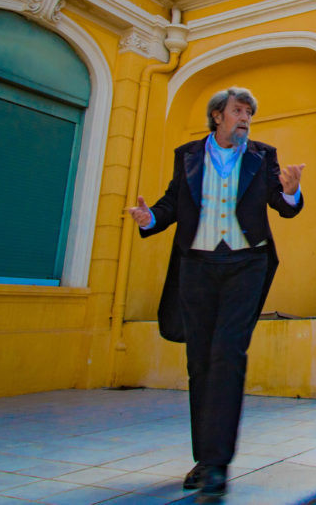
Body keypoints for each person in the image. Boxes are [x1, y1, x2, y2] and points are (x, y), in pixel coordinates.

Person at [127, 87, 304, 500]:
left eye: (249, 113)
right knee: (201, 362)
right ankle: (205, 459)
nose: (245, 118)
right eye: (238, 111)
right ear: (217, 116)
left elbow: (282, 203)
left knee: (228, 354)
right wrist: (149, 216)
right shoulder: (187, 154)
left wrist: (292, 190)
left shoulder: (263, 155)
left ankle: (218, 466)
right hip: (197, 266)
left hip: (247, 263)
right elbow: (173, 204)